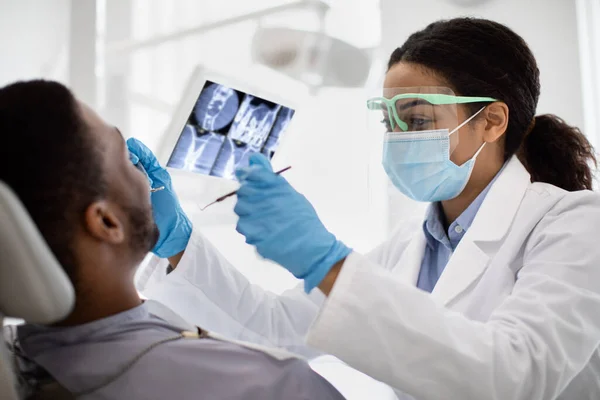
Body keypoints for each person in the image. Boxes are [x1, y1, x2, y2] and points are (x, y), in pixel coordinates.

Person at [136, 18, 600, 399]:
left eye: (416, 119)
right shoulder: (411, 245)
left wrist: (327, 261)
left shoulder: (573, 223)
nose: (398, 139)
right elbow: (275, 330)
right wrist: (179, 242)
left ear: (492, 121)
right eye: (389, 121)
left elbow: (515, 376)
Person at [0, 80, 346, 400]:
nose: (142, 174)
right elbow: (277, 330)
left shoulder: (15, 363)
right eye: (125, 156)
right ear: (107, 222)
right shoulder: (272, 386)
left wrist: (180, 246)